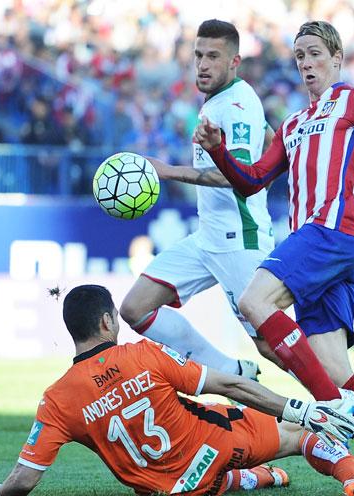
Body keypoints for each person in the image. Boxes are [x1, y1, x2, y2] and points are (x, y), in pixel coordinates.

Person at [194, 20, 354, 483]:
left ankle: (329, 407)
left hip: (330, 231)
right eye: (299, 57)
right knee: (338, 371)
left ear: (336, 58)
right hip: (320, 244)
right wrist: (222, 152)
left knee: (253, 301)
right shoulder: (291, 124)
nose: (306, 63)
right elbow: (251, 182)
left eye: (313, 54)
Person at [0, 285, 354, 496]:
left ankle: (265, 479)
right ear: (106, 322)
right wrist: (303, 411)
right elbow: (231, 383)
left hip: (163, 487)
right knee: (293, 435)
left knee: (215, 443)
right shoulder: (141, 355)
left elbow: (24, 481)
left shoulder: (57, 399)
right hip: (213, 448)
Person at [119, 19, 276, 382]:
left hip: (241, 238)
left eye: (214, 57)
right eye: (199, 55)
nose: (203, 64)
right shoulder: (221, 101)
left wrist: (169, 171)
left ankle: (343, 408)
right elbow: (270, 141)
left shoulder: (235, 104)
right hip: (208, 238)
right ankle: (229, 370)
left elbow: (236, 176)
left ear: (235, 61)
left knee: (270, 345)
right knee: (135, 308)